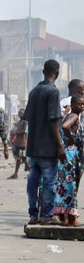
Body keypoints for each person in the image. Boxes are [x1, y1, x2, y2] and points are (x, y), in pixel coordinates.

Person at [24, 60, 65, 226]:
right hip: (48, 148)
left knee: (33, 182)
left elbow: (27, 117)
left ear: (43, 71)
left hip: (33, 148)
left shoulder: (34, 91)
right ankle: (46, 216)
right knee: (49, 182)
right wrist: (60, 145)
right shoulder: (53, 91)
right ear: (57, 72)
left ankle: (33, 215)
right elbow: (53, 121)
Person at [52, 94, 83, 226]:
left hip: (67, 154)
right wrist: (70, 137)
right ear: (74, 104)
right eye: (79, 104)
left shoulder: (71, 115)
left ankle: (65, 216)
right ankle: (71, 217)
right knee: (71, 186)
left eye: (83, 104)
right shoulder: (74, 116)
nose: (82, 107)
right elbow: (65, 127)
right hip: (71, 154)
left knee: (64, 185)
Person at [7, 109, 29, 179]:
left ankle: (28, 171)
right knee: (19, 158)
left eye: (22, 113)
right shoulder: (20, 121)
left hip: (23, 143)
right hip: (18, 143)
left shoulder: (25, 122)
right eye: (19, 113)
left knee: (22, 157)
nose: (20, 114)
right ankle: (16, 173)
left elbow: (25, 131)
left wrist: (17, 132)